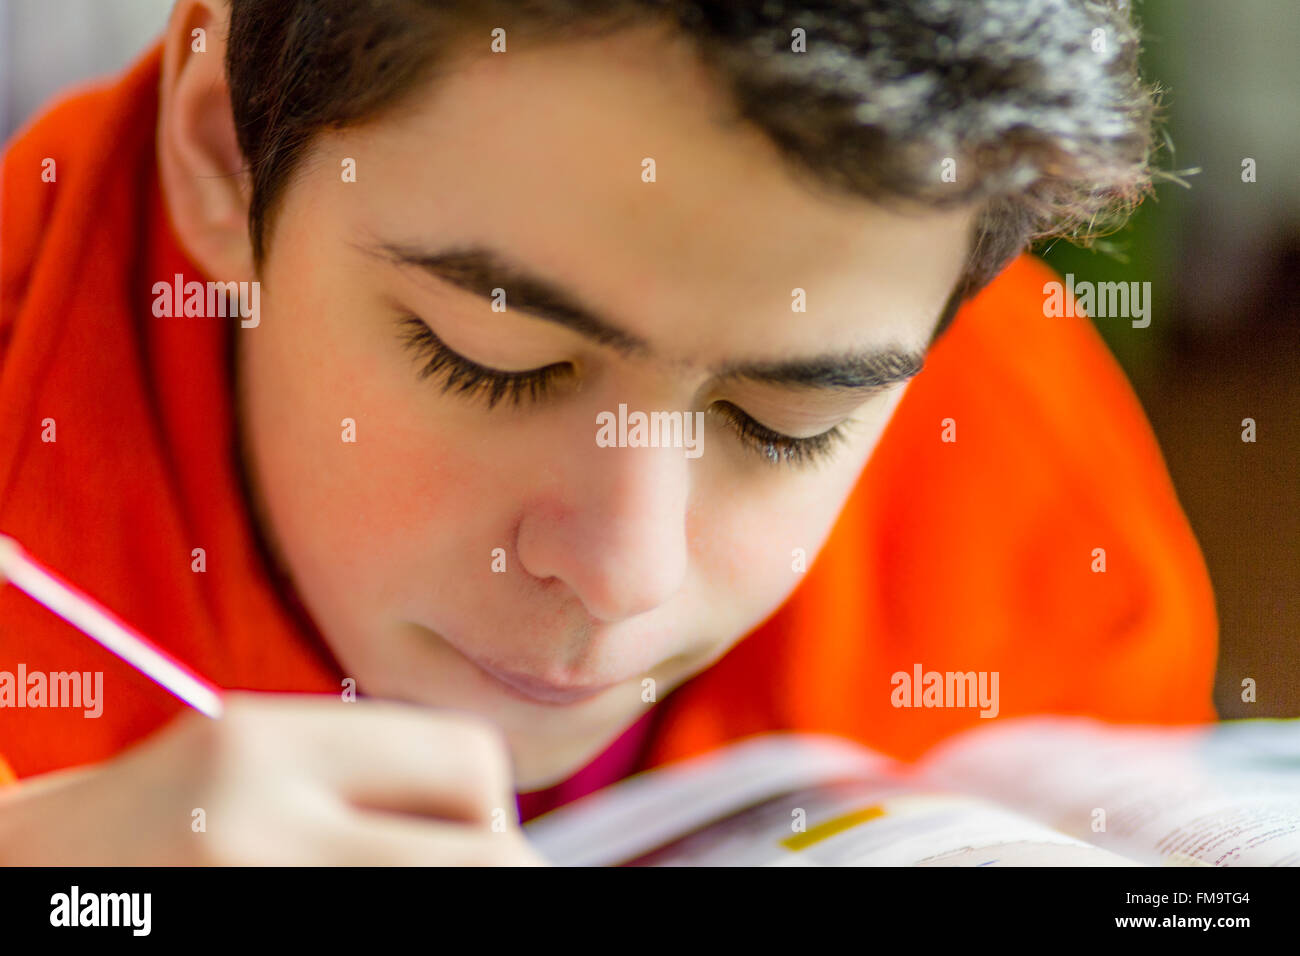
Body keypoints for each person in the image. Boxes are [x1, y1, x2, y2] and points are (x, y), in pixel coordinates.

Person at [0, 0, 1216, 864]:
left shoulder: (1020, 477)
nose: (620, 576)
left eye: (785, 423)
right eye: (489, 357)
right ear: (221, 148)